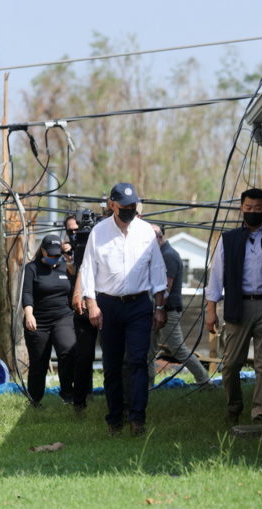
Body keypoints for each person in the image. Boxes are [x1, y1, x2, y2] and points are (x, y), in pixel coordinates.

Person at [205, 188, 262, 425]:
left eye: (258, 209)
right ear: (241, 208)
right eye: (248, 208)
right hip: (238, 307)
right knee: (230, 365)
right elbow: (216, 277)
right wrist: (210, 310)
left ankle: (260, 414)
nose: (253, 212)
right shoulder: (229, 240)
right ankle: (233, 408)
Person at [79, 183, 168, 436]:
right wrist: (92, 304)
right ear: (112, 205)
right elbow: (88, 269)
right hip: (108, 306)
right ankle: (114, 419)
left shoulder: (145, 232)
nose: (129, 210)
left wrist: (160, 306)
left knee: (138, 362)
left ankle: (137, 418)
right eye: (124, 206)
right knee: (112, 364)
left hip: (139, 305)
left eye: (133, 206)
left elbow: (157, 271)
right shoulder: (99, 232)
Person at [148, 224, 211, 387]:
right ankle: (147, 386)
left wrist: (159, 309)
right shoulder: (159, 254)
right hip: (155, 309)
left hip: (167, 310)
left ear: (159, 237)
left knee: (177, 348)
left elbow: (166, 288)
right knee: (149, 350)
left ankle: (204, 379)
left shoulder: (168, 256)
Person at [22, 234, 77, 406]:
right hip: (39, 320)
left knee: (68, 351)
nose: (54, 258)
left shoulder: (64, 266)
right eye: (50, 255)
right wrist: (29, 314)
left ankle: (68, 393)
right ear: (43, 251)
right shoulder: (31, 268)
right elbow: (27, 293)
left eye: (57, 255)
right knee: (39, 361)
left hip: (63, 317)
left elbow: (76, 283)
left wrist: (69, 259)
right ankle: (35, 399)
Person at [64, 214, 100, 413]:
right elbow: (81, 270)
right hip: (83, 309)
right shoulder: (74, 250)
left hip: (104, 305)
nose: (75, 234)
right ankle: (79, 401)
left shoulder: (102, 242)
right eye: (71, 231)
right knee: (83, 356)